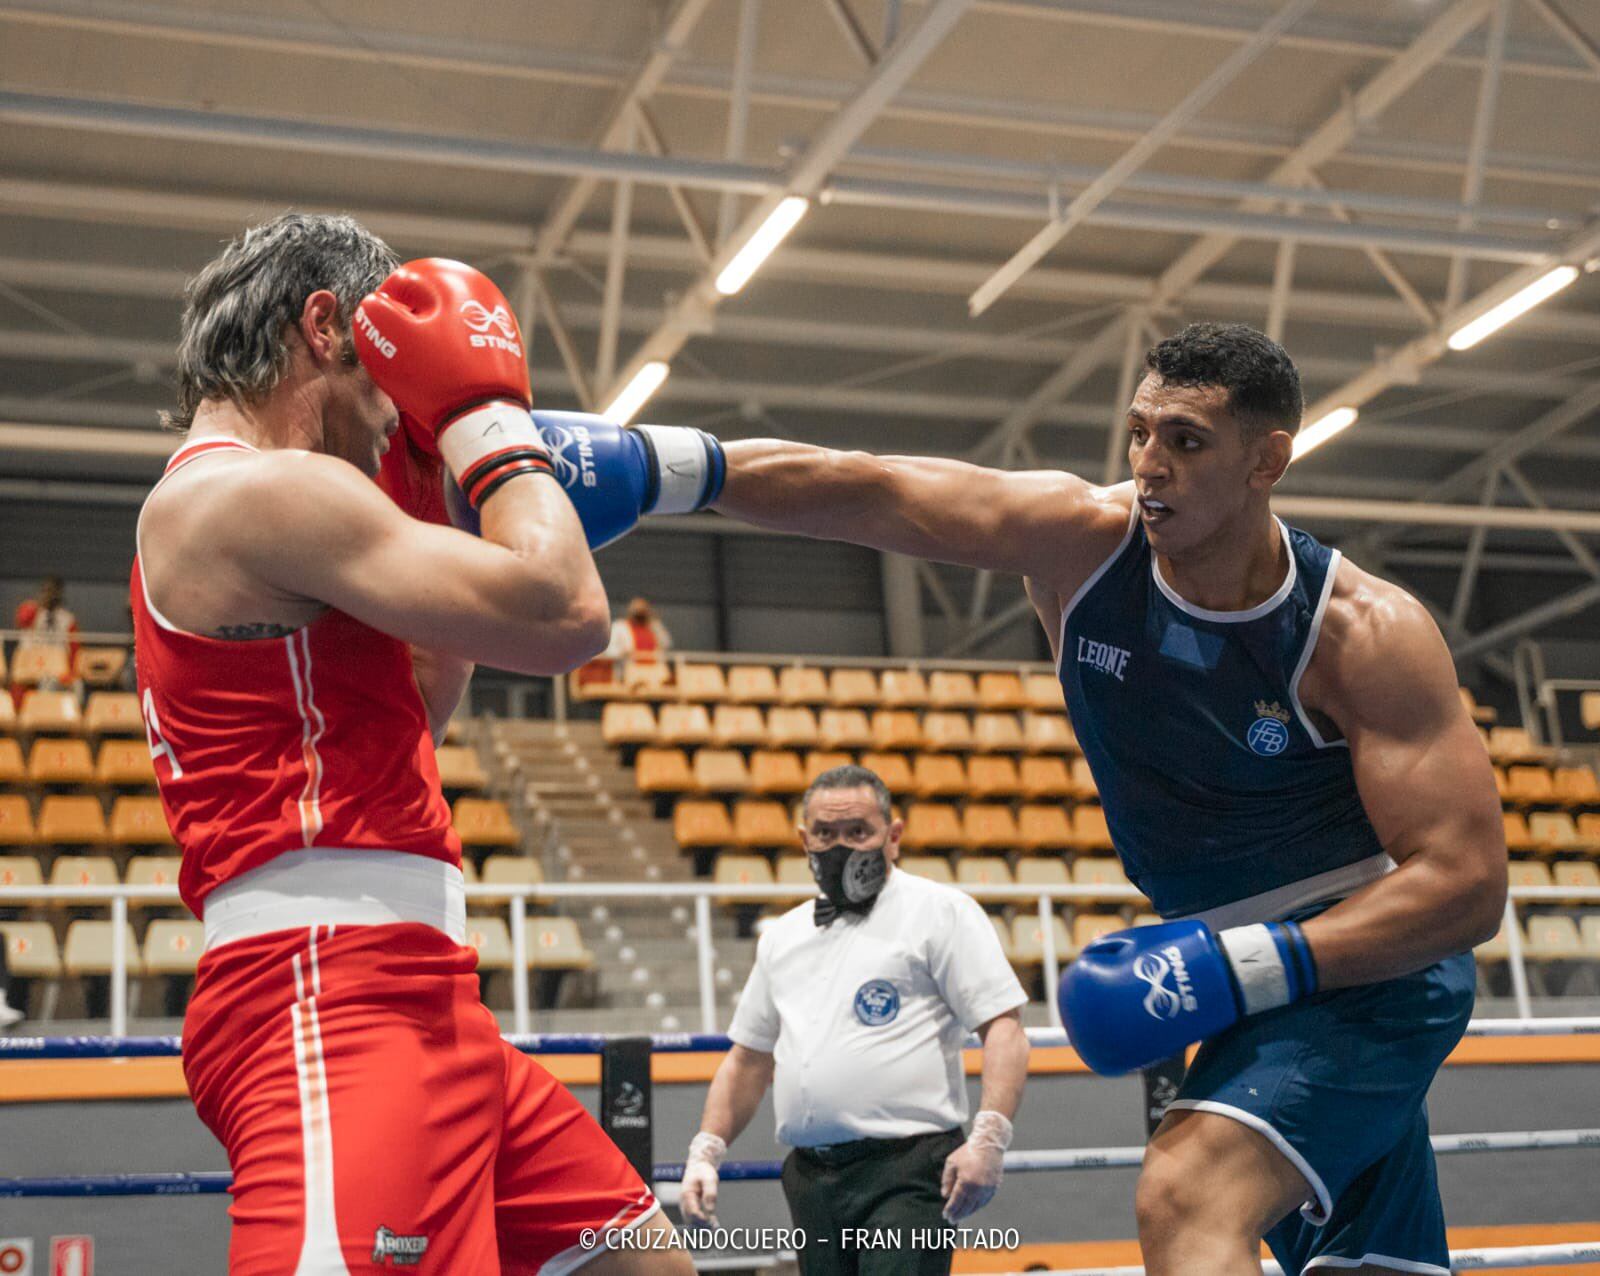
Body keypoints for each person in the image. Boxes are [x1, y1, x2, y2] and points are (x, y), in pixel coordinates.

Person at [555, 323, 1507, 1276]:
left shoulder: (1358, 630)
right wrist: (668, 466)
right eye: (1139, 433)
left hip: (1366, 967)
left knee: (1185, 1197)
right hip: (1233, 976)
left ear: (1268, 461)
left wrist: (1242, 965)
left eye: (1186, 441)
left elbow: (1467, 887)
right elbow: (876, 489)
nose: (1151, 465)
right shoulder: (1083, 544)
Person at [134, 212, 710, 1274]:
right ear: (324, 327)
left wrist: (416, 480)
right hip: (324, 992)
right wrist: (487, 421)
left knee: (646, 1265)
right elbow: (562, 611)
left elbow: (423, 704)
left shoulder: (299, 510)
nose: (393, 415)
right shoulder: (250, 490)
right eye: (381, 381)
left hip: (419, 985)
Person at [678, 764, 1030, 1276]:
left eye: (857, 831)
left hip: (908, 1170)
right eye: (826, 832)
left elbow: (1004, 1028)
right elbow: (748, 1059)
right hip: (811, 1178)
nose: (840, 844)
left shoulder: (941, 912)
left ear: (894, 836)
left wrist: (989, 1139)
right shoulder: (783, 936)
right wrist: (704, 1151)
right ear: (804, 839)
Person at [12, 575, 79, 696]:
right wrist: (39, 605)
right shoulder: (31, 611)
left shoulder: (67, 618)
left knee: (75, 684)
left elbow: (75, 649)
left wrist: (70, 672)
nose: (50, 594)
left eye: (54, 591)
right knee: (22, 682)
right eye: (47, 590)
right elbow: (22, 620)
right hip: (32, 664)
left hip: (56, 670)